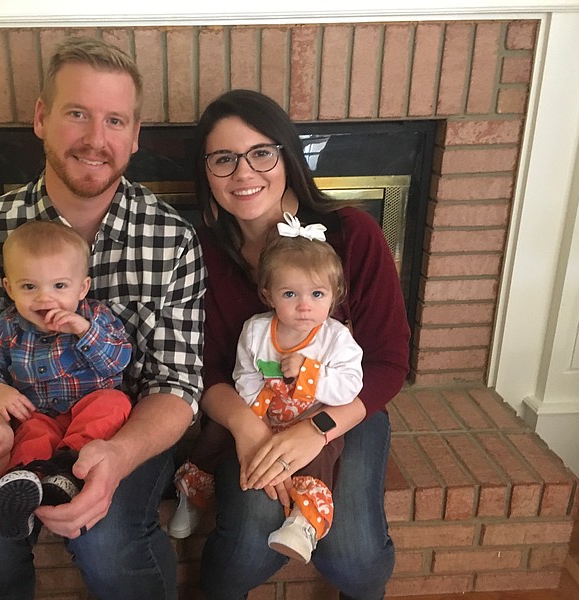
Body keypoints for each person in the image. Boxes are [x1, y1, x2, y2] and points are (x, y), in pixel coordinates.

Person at [0, 36, 206, 600]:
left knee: (109, 542)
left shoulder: (172, 238)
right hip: (19, 426)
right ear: (41, 117)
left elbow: (177, 385)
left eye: (115, 120)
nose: (95, 139)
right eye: (77, 113)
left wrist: (118, 454)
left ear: (135, 135)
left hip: (120, 425)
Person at [190, 89, 410, 600]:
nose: (244, 174)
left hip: (342, 408)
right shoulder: (200, 252)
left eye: (261, 153)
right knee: (248, 540)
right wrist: (248, 429)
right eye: (224, 159)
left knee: (354, 559)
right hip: (252, 410)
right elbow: (202, 369)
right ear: (206, 171)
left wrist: (317, 430)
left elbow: (387, 362)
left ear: (287, 155)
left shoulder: (352, 233)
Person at [168, 218, 363, 565]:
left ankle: (305, 523)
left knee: (323, 458)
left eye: (317, 294)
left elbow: (351, 385)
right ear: (267, 294)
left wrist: (311, 374)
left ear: (335, 296)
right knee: (214, 436)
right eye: (290, 294)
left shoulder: (335, 339)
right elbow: (244, 374)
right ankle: (193, 493)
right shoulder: (256, 331)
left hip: (312, 415)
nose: (304, 306)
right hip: (263, 411)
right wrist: (255, 410)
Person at [0, 221, 133, 540]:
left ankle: (66, 470)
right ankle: (22, 489)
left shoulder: (95, 317)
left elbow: (118, 360)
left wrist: (84, 331)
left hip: (89, 412)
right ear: (10, 288)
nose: (45, 299)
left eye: (59, 286)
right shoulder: (8, 327)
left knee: (115, 403)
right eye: (29, 287)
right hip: (39, 414)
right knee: (30, 433)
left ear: (81, 288)